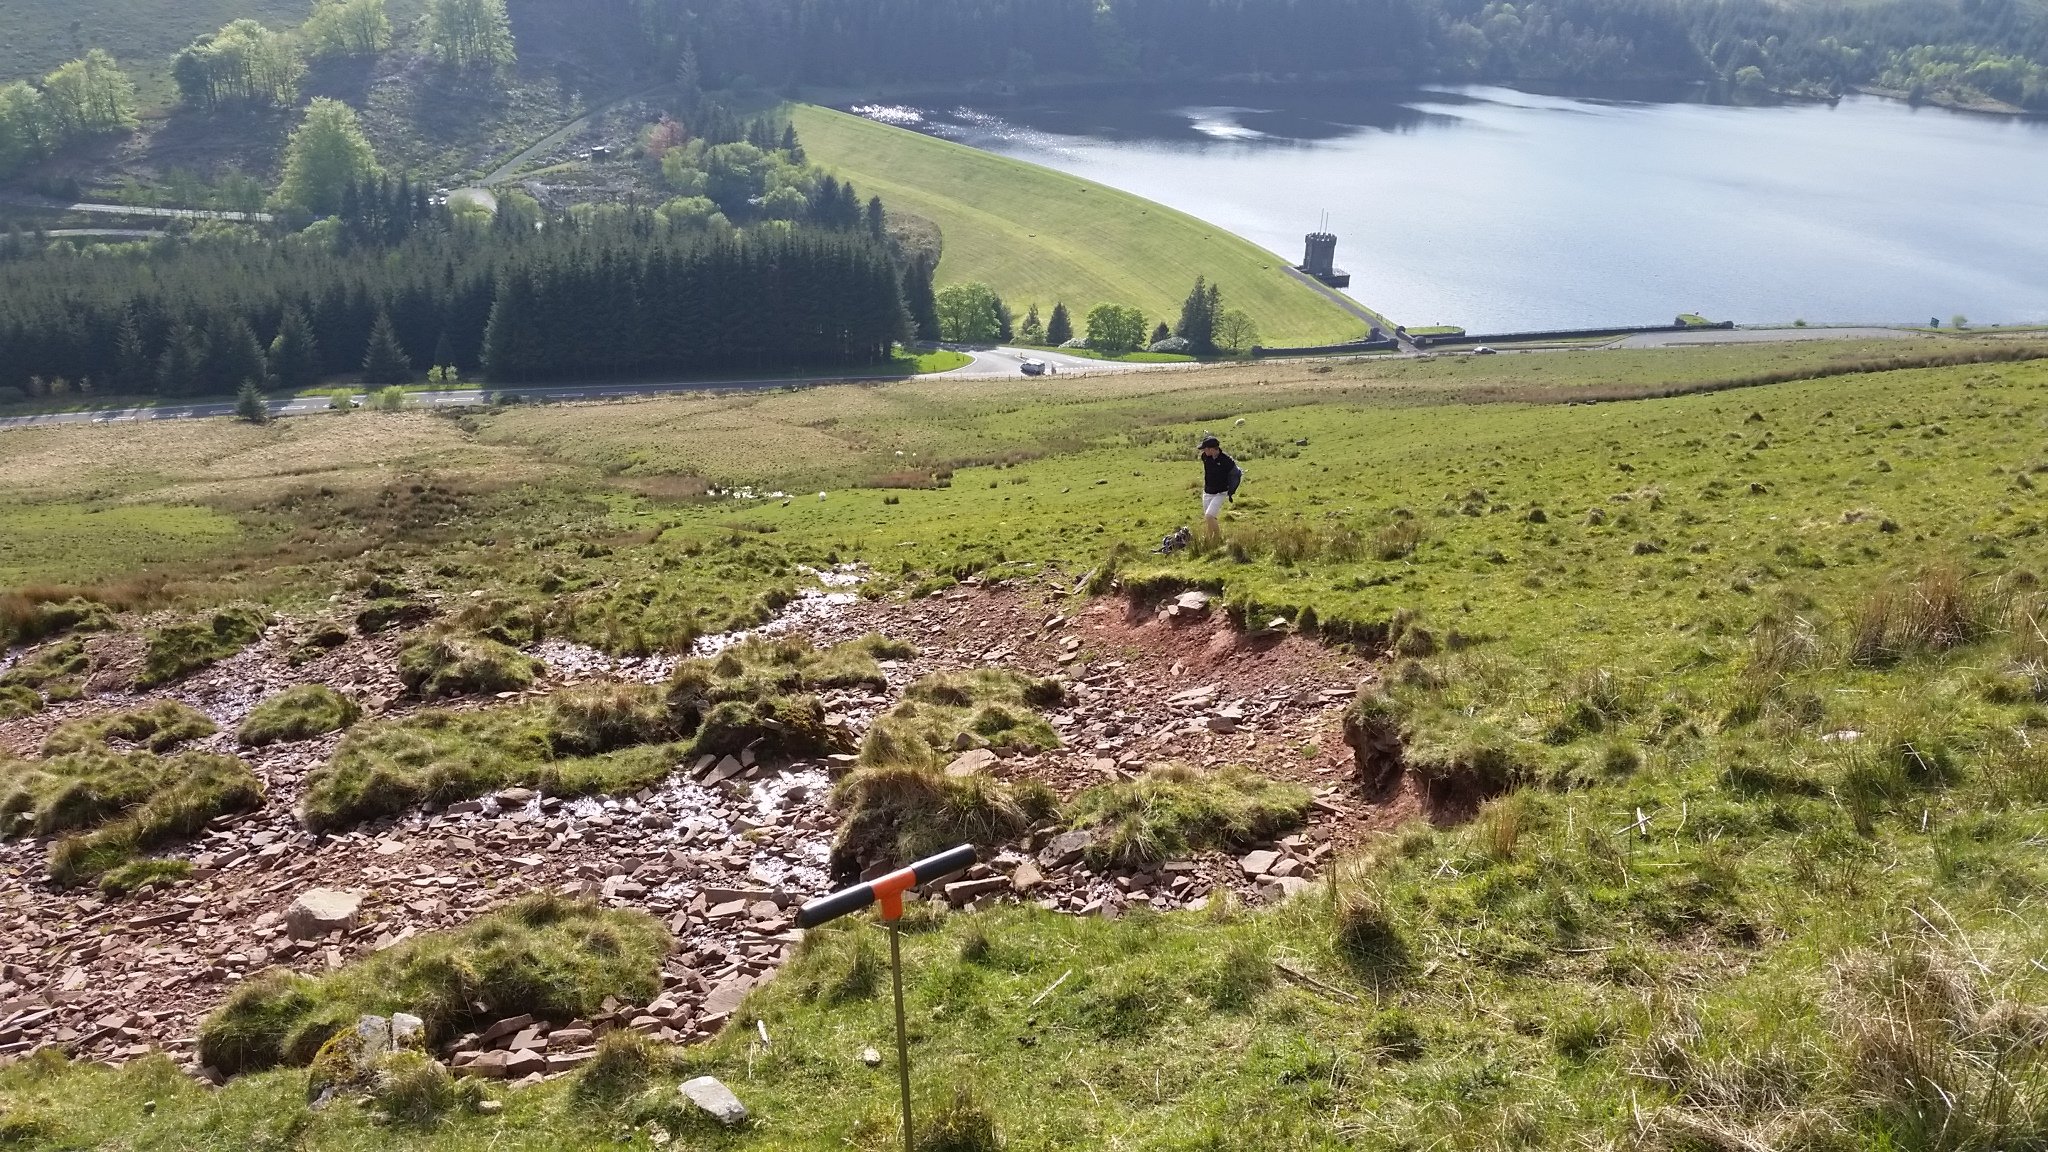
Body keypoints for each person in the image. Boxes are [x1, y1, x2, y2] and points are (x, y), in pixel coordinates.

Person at [1199, 436, 1241, 536]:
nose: (1203, 451)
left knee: (1209, 516)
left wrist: (1231, 491)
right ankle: (1211, 542)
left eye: (1205, 448)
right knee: (1209, 519)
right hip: (1207, 492)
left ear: (1212, 449)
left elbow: (1236, 474)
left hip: (1220, 493)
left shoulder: (1226, 461)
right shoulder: (1205, 457)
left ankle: (1217, 539)